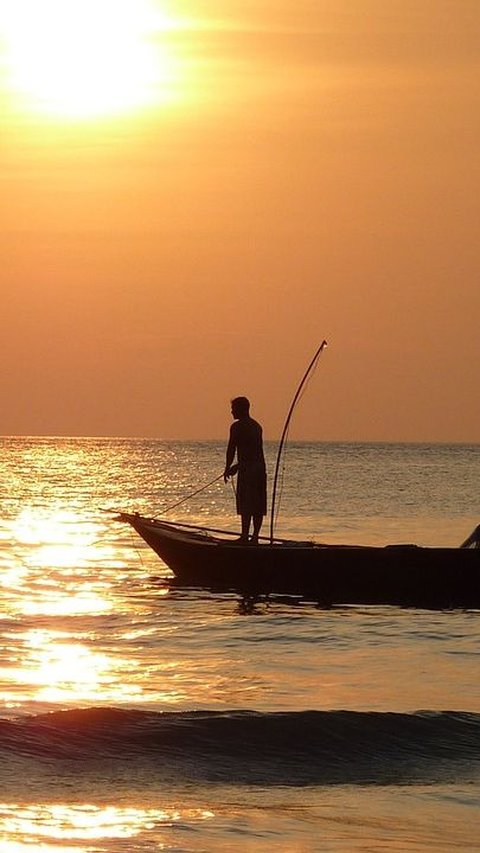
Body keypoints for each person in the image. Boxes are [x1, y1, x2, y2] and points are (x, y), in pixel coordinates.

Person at [223, 396, 267, 543]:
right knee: (257, 504)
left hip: (248, 469)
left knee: (247, 504)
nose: (231, 412)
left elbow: (232, 448)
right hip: (260, 468)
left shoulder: (237, 427)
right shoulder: (257, 426)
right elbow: (255, 452)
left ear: (241, 409)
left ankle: (245, 536)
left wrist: (228, 467)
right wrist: (236, 466)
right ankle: (254, 537)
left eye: (233, 409)